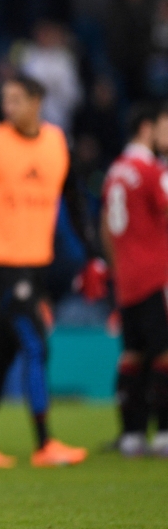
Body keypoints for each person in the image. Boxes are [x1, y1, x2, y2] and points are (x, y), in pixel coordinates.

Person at [0, 74, 94, 468]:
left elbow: (77, 203)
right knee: (36, 345)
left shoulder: (57, 144)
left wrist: (94, 253)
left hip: (37, 263)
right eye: (5, 100)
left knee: (3, 353)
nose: (8, 108)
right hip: (1, 262)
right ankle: (45, 444)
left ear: (37, 101)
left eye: (16, 100)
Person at [101, 104, 168, 457]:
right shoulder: (151, 170)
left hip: (126, 277)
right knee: (163, 353)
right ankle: (164, 433)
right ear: (147, 128)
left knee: (132, 353)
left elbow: (105, 227)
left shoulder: (115, 171)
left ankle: (131, 433)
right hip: (157, 275)